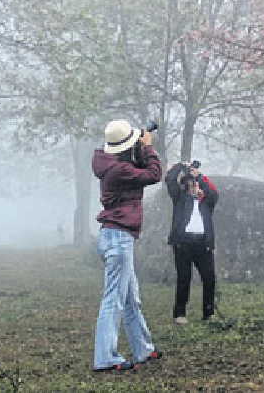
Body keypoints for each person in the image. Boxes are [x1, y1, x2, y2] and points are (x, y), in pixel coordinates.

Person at [92, 120, 163, 373]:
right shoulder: (119, 170)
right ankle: (105, 358)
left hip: (114, 236)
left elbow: (139, 170)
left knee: (132, 298)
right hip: (119, 239)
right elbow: (153, 174)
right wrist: (148, 147)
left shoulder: (109, 164)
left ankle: (143, 348)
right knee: (113, 300)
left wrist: (139, 148)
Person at [165, 160, 219, 323]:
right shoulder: (180, 198)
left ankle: (208, 312)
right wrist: (181, 166)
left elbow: (214, 193)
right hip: (183, 242)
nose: (193, 187)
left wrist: (199, 176)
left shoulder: (207, 201)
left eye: (195, 184)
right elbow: (169, 179)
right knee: (184, 278)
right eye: (190, 184)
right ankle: (180, 314)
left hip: (203, 242)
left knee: (209, 277)